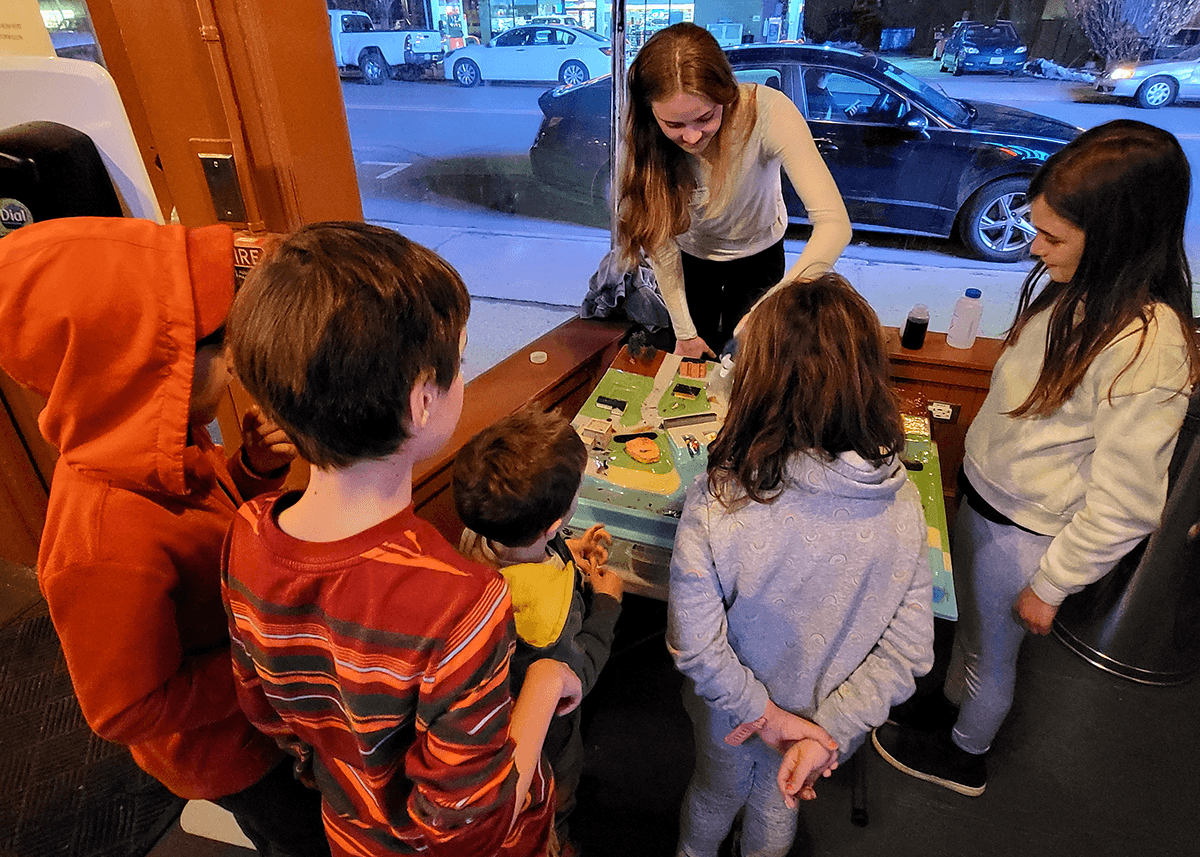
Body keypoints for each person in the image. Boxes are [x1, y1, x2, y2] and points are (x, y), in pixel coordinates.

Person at [221, 221, 582, 857]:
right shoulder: (461, 604)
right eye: (460, 362)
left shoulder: (247, 532)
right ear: (420, 402)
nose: (462, 377)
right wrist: (548, 678)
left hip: (349, 834)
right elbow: (471, 827)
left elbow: (268, 716)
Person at [873, 120, 1200, 798]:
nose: (1034, 247)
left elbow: (1130, 504)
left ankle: (966, 754)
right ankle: (953, 707)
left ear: (1117, 235)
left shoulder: (1149, 345)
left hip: (1027, 535)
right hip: (990, 503)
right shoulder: (1083, 288)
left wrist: (1052, 584)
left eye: (1053, 237)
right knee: (969, 626)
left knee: (995, 652)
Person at [0, 217, 330, 856]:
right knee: (302, 836)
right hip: (231, 752)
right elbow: (123, 709)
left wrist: (252, 470)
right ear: (142, 369)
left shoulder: (160, 443)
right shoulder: (100, 543)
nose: (235, 360)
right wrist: (262, 670)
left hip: (255, 712)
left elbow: (214, 531)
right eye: (220, 343)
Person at [667, 273, 935, 857]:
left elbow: (695, 647)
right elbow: (910, 652)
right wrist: (824, 733)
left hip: (731, 715)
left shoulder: (720, 498)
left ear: (757, 383)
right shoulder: (905, 503)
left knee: (714, 797)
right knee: (779, 804)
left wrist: (764, 717)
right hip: (825, 725)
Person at [616, 22, 851, 360]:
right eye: (675, 125)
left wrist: (770, 308)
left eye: (705, 117)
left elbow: (835, 225)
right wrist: (684, 333)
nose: (693, 137)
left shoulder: (768, 112)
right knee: (695, 357)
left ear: (726, 94)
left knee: (753, 360)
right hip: (692, 259)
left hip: (760, 253)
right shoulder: (646, 139)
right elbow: (659, 239)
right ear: (653, 116)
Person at [453, 407, 625, 855]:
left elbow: (526, 547)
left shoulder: (477, 537)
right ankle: (556, 838)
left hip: (495, 709)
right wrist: (607, 603)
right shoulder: (542, 612)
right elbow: (577, 675)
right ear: (553, 522)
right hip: (549, 738)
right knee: (556, 793)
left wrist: (566, 548)